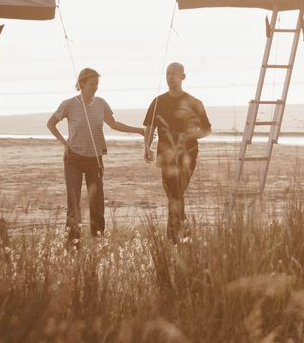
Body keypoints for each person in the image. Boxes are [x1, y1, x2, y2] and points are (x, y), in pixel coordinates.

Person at [46, 68, 140, 241]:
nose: (95, 87)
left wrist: (139, 131)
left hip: (95, 158)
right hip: (73, 159)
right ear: (81, 84)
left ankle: (98, 239)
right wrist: (65, 143)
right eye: (91, 84)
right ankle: (73, 242)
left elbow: (114, 124)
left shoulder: (101, 103)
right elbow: (51, 124)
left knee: (96, 204)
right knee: (74, 203)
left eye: (97, 84)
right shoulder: (69, 104)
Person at [143, 62, 212, 242]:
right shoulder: (158, 101)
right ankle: (184, 230)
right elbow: (150, 127)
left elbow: (206, 130)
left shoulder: (194, 102)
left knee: (176, 193)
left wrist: (188, 135)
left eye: (174, 73)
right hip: (165, 155)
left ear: (183, 76)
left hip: (188, 155)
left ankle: (173, 236)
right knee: (173, 194)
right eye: (167, 73)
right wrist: (146, 147)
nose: (170, 77)